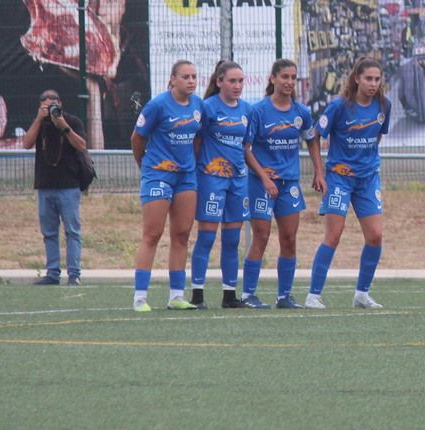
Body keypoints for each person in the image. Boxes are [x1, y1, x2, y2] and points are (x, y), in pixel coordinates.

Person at [306, 57, 391, 310]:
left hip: (367, 179)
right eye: (368, 78)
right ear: (356, 78)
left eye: (377, 79)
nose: (373, 84)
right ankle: (313, 295)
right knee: (333, 235)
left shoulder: (383, 106)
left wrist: (367, 163)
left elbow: (376, 137)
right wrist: (320, 173)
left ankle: (362, 294)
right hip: (339, 178)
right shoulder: (339, 106)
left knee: (375, 236)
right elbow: (313, 135)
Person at [242, 59, 323, 309]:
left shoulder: (301, 112)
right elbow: (246, 149)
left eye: (293, 77)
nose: (289, 82)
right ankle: (248, 295)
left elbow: (311, 140)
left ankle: (284, 296)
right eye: (284, 77)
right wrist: (264, 178)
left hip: (289, 184)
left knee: (289, 238)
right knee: (262, 236)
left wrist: (319, 171)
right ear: (273, 79)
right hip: (261, 184)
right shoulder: (258, 111)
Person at [129, 60, 204, 312]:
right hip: (158, 175)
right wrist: (146, 166)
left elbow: (197, 139)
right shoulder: (158, 105)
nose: (191, 81)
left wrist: (189, 164)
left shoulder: (198, 106)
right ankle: (140, 297)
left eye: (194, 76)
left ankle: (176, 296)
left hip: (186, 177)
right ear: (172, 80)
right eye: (185, 76)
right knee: (152, 234)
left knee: (181, 234)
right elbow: (137, 138)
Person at [191, 60, 251, 309]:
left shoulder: (247, 110)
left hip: (238, 181)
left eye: (240, 81)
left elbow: (246, 146)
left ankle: (229, 294)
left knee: (232, 239)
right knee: (206, 237)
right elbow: (195, 140)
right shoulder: (207, 108)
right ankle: (197, 294)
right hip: (212, 179)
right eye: (232, 81)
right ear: (219, 82)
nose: (237, 86)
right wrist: (198, 171)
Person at [21, 89, 88, 286]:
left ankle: (74, 274)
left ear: (61, 104)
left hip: (69, 185)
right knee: (49, 232)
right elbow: (26, 143)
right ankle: (52, 273)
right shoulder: (40, 124)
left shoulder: (72, 121)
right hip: (45, 185)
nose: (51, 108)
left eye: (54, 104)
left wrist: (63, 126)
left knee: (72, 231)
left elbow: (81, 145)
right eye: (46, 105)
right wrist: (39, 119)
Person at [81, 0, 149, 150]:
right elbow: (92, 160)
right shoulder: (64, 63)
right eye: (92, 0)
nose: (100, 11)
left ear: (123, 2)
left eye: (110, 0)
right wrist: (93, 91)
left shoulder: (143, 60)